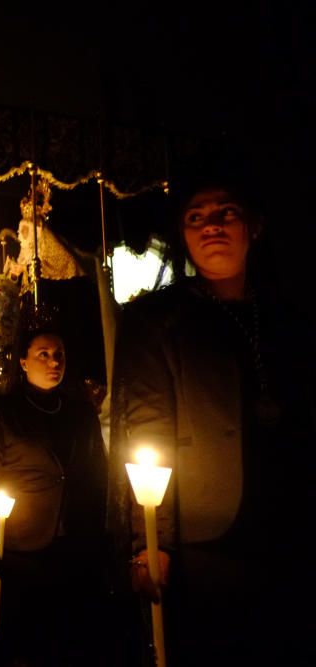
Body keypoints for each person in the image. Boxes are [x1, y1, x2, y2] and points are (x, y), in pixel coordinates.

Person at [108, 171, 316, 664]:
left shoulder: (288, 317)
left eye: (226, 213)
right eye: (196, 218)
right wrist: (149, 541)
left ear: (255, 227)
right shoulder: (158, 320)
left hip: (289, 524)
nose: (212, 226)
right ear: (182, 236)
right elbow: (146, 426)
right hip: (204, 533)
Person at [0, 323, 109, 666]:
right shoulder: (3, 411)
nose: (53, 363)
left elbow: (98, 473)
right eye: (43, 355)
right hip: (23, 545)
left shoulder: (80, 412)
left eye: (59, 355)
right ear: (23, 361)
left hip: (75, 542)